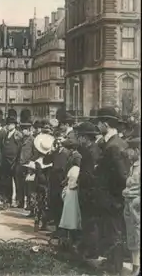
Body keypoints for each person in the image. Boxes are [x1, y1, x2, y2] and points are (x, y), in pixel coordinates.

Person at [95, 107, 130, 275]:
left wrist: (115, 198)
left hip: (112, 198)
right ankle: (111, 262)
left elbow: (121, 175)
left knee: (114, 232)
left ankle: (115, 267)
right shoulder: (114, 143)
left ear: (106, 124)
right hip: (109, 197)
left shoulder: (114, 146)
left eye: (99, 123)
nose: (97, 126)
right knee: (110, 231)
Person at [75, 121, 103, 260]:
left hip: (90, 193)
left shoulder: (92, 152)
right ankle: (88, 248)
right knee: (87, 221)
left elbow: (91, 174)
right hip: (87, 191)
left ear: (85, 137)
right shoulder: (91, 150)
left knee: (90, 222)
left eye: (79, 136)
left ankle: (93, 251)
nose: (78, 139)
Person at [29, 133, 54, 231]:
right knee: (45, 204)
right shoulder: (50, 160)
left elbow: (32, 173)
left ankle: (36, 223)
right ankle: (44, 223)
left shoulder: (36, 161)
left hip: (38, 184)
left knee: (38, 205)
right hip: (46, 184)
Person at [122, 136, 140, 276]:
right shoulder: (133, 165)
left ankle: (137, 267)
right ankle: (135, 265)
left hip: (137, 204)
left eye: (130, 149)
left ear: (137, 150)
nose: (127, 152)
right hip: (130, 204)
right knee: (133, 235)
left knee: (137, 234)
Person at [2, 116, 23, 205]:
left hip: (15, 162)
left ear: (14, 125)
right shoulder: (7, 134)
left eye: (10, 124)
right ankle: (8, 199)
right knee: (7, 182)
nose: (8, 126)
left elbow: (20, 149)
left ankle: (20, 201)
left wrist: (16, 160)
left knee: (18, 182)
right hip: (7, 161)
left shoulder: (17, 134)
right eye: (7, 124)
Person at [17, 122, 34, 210]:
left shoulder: (32, 139)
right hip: (21, 164)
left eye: (24, 129)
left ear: (28, 130)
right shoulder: (22, 139)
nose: (23, 131)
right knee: (20, 185)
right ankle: (21, 202)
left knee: (28, 187)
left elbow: (33, 153)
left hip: (28, 165)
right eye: (22, 129)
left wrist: (30, 163)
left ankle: (29, 204)